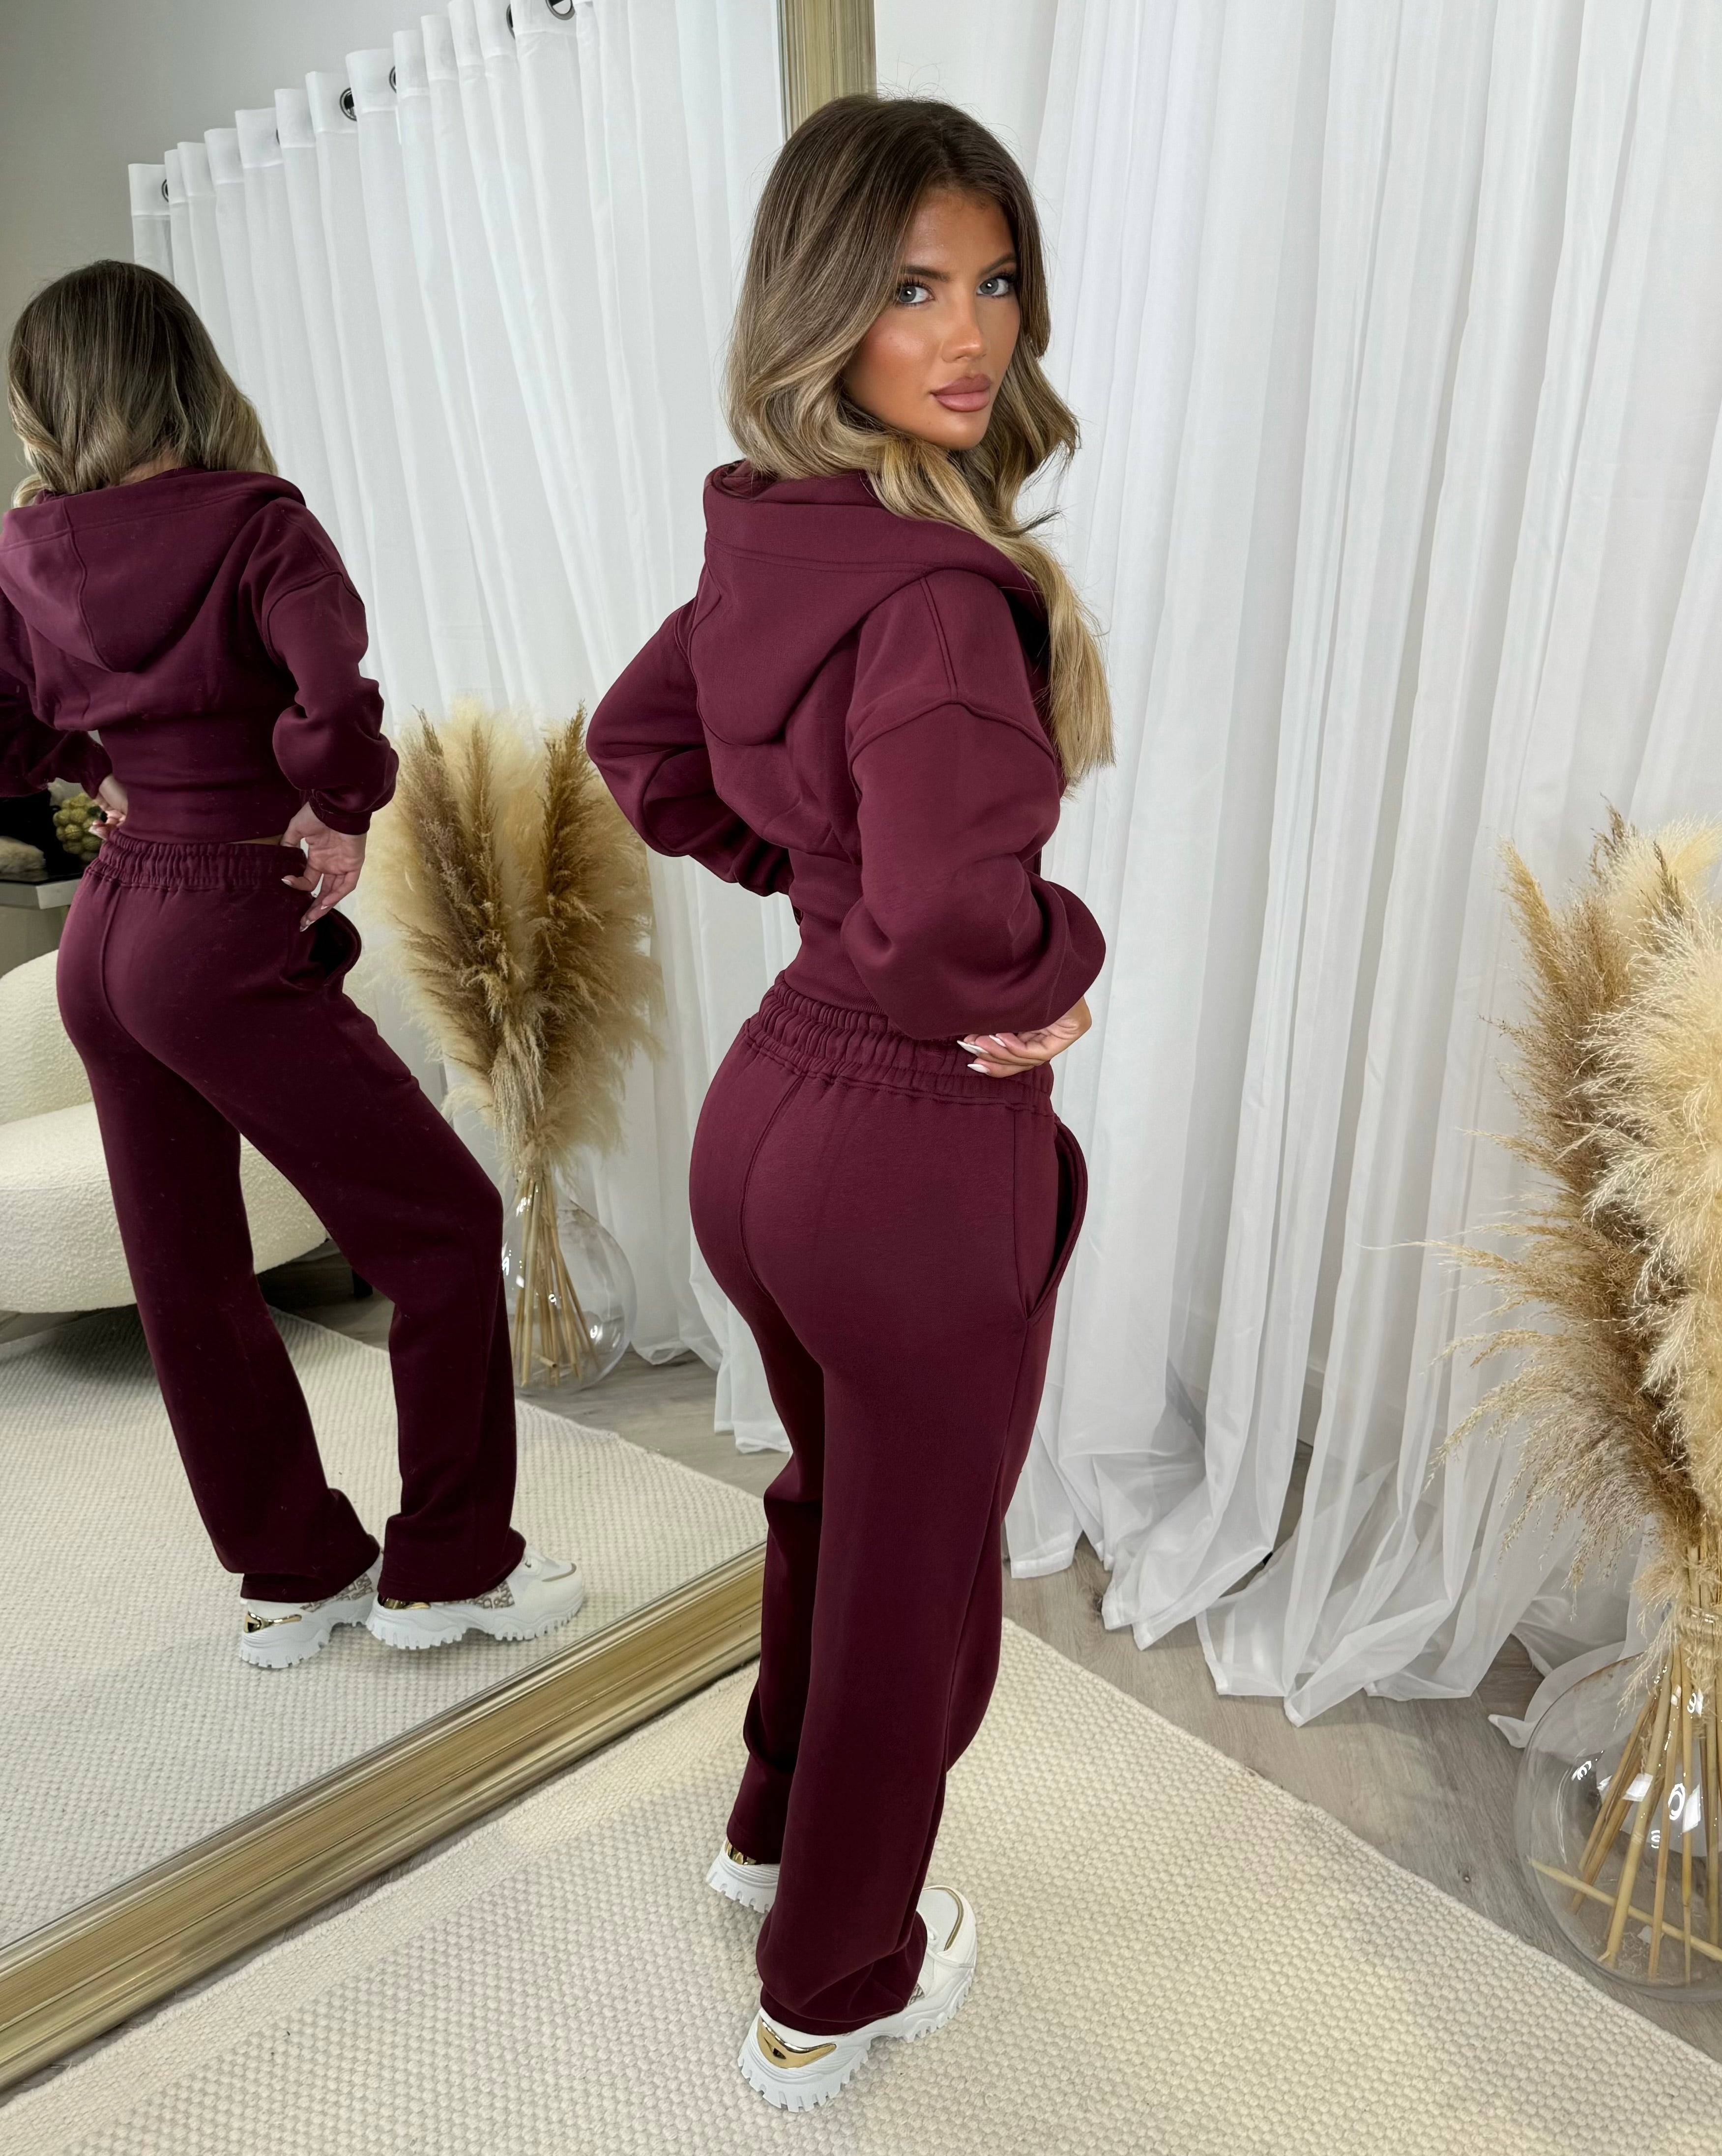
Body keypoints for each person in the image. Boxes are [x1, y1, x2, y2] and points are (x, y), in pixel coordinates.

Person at [586, 95, 1110, 2110]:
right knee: (916, 1579)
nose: (968, 333)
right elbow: (959, 927)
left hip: (764, 1123)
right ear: (822, 308)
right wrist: (1054, 967)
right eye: (910, 288)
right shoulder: (943, 601)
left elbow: (641, 744)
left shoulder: (774, 528)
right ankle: (831, 1984)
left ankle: (768, 1832)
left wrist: (826, 897)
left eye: (993, 281)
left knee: (833, 1502)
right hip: (902, 1154)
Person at [0, 260, 585, 1669]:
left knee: (186, 1271)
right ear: (184, 373)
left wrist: (101, 768)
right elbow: (334, 694)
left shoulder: (27, 550)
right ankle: (449, 1570)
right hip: (217, 919)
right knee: (445, 1226)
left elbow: (12, 735)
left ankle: (293, 1572)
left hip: (106, 937)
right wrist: (338, 803)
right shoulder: (258, 522)